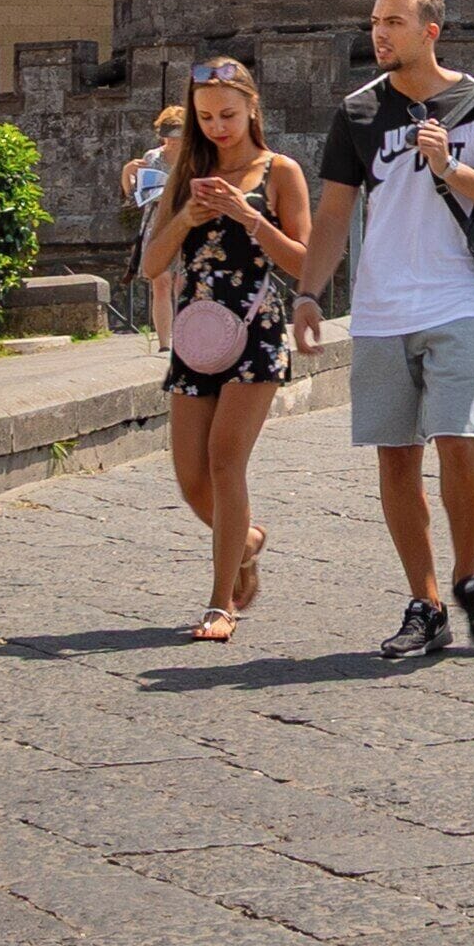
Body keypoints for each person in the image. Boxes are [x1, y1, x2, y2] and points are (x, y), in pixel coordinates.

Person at [292, 0, 474, 660]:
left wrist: (453, 171)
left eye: (394, 21)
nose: (379, 31)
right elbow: (335, 212)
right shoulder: (359, 112)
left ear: (430, 30)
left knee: (460, 439)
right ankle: (425, 601)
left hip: (456, 297)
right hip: (379, 307)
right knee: (395, 457)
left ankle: (469, 578)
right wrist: (309, 294)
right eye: (375, 20)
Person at [140, 61, 310, 643]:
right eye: (206, 116)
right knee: (190, 479)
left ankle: (219, 603)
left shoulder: (280, 172)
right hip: (195, 334)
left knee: (223, 460)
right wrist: (187, 214)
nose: (217, 127)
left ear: (252, 109)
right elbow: (150, 265)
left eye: (228, 115)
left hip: (256, 332)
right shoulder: (187, 172)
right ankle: (248, 541)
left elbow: (305, 262)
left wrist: (248, 215)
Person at [122, 105, 185, 350]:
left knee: (183, 283)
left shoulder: (195, 158)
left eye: (176, 136)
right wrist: (127, 172)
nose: (171, 141)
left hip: (185, 222)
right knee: (161, 282)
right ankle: (164, 343)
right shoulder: (152, 157)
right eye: (167, 135)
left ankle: (184, 338)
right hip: (157, 223)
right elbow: (133, 197)